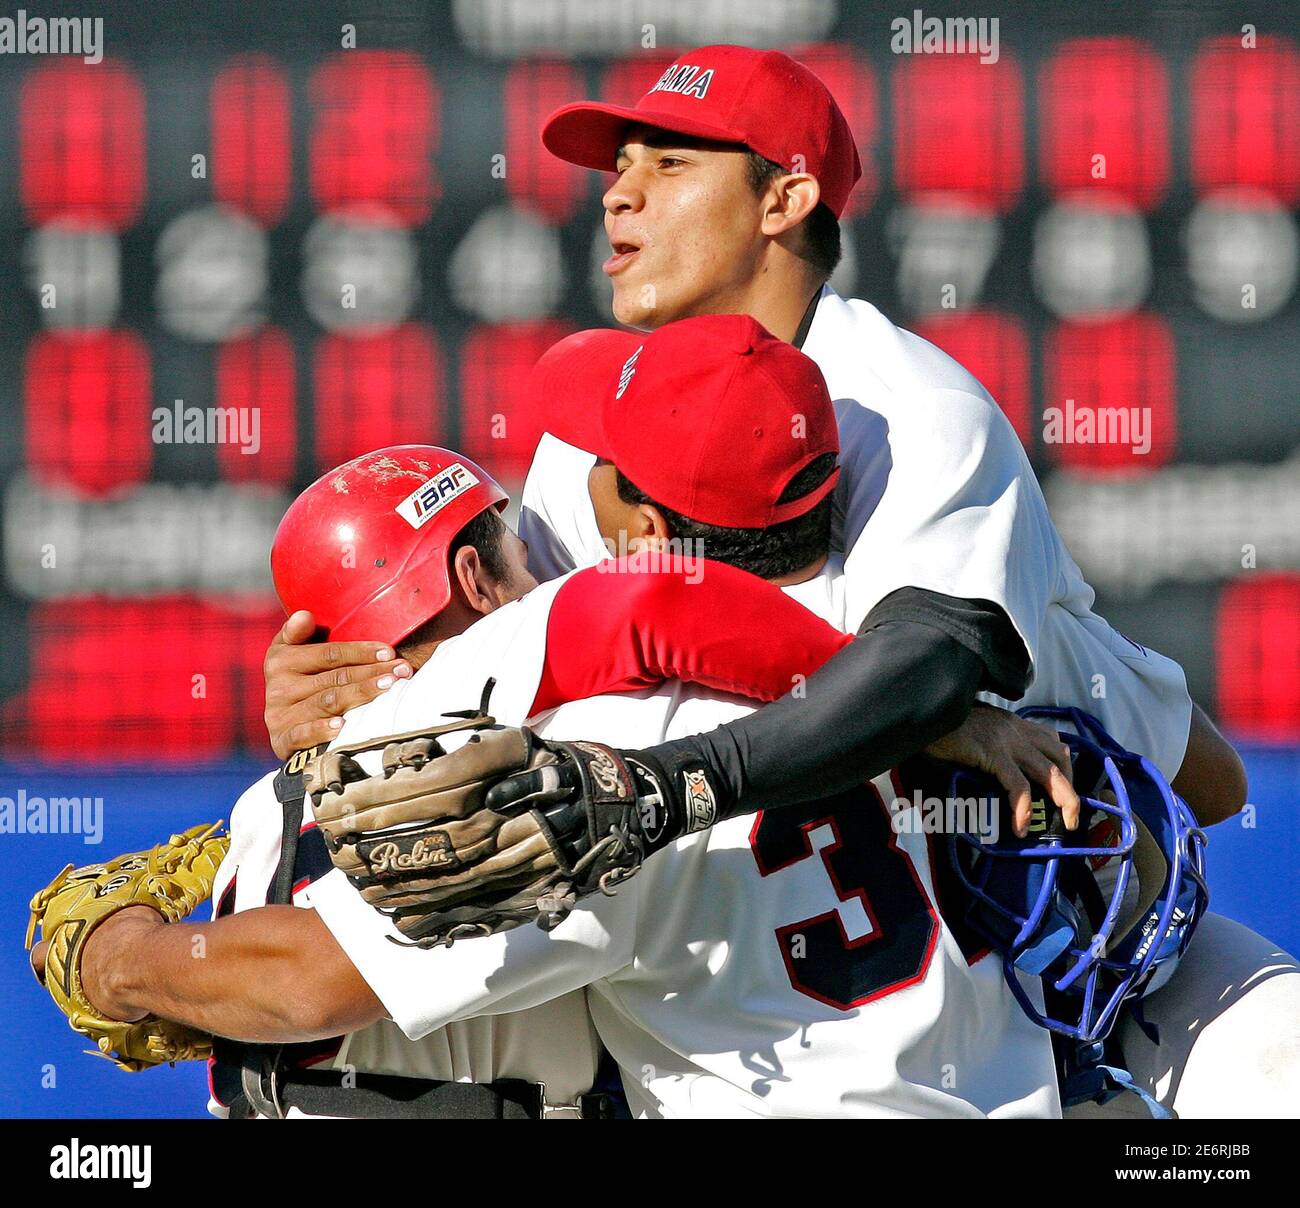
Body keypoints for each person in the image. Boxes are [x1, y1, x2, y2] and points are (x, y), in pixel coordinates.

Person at [30, 320, 1078, 1118]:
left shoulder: (547, 769)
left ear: (651, 524)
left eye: (597, 471)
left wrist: (120, 963)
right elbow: (1202, 778)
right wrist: (931, 711)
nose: (551, 522)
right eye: (514, 528)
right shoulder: (973, 652)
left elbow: (305, 979)